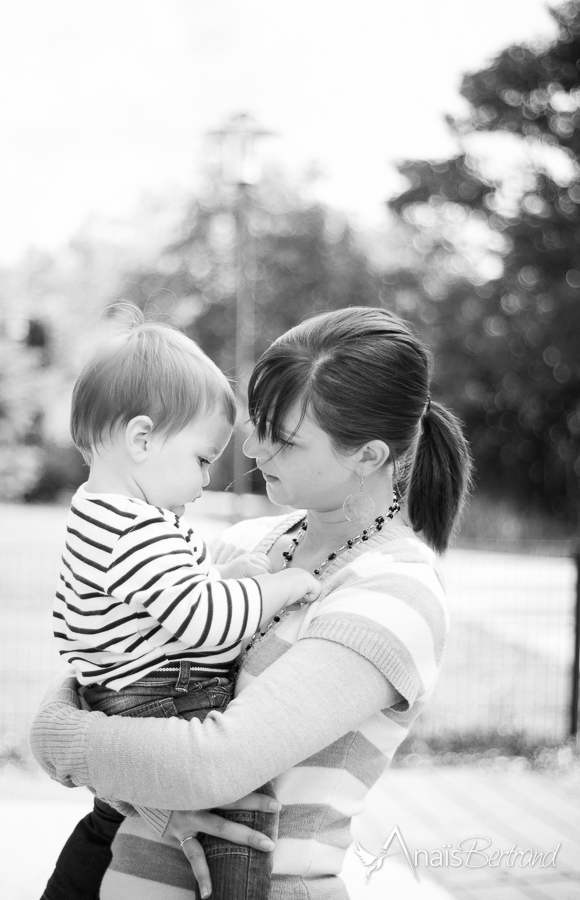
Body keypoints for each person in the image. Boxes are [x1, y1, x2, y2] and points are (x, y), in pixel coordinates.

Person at [31, 306, 472, 900]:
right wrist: (154, 806)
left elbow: (211, 765)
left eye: (285, 439)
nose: (254, 448)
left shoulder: (396, 595)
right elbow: (118, 682)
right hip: (106, 855)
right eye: (259, 421)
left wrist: (62, 737)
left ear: (367, 456)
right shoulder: (246, 546)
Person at [42, 311, 321, 900]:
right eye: (201, 459)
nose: (208, 481)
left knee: (112, 824)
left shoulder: (99, 514)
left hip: (120, 696)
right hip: (163, 697)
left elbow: (169, 597)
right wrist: (285, 585)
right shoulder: (136, 530)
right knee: (243, 816)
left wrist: (227, 576)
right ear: (142, 440)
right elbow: (208, 626)